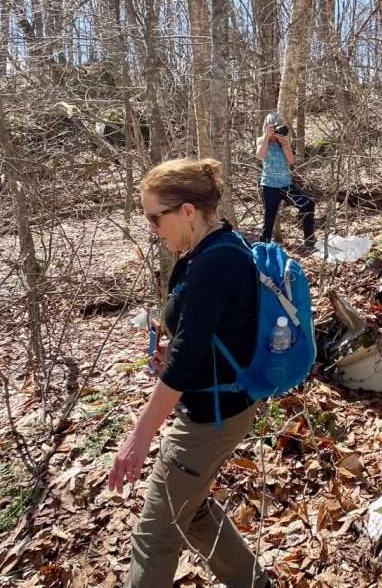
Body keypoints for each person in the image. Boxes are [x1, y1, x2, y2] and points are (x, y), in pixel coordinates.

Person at [108, 158, 270, 588]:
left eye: (153, 217)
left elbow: (184, 362)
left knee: (155, 534)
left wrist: (138, 438)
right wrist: (176, 341)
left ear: (186, 211)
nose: (152, 229)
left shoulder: (214, 264)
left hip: (210, 417)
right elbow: (205, 333)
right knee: (191, 509)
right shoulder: (216, 249)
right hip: (218, 403)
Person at [255, 111, 315, 249]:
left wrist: (285, 144)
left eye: (281, 125)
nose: (280, 129)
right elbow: (260, 155)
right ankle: (264, 248)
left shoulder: (284, 141)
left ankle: (309, 241)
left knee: (308, 205)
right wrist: (267, 137)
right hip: (269, 185)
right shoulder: (261, 140)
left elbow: (291, 160)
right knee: (269, 219)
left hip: (286, 185)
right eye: (277, 125)